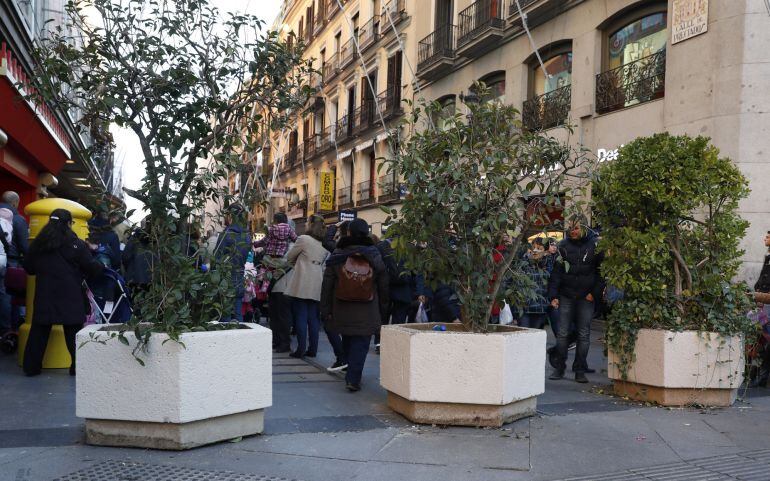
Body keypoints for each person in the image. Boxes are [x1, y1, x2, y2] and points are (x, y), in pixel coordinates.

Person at [22, 209, 104, 376]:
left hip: (45, 294)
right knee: (73, 333)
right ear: (68, 223)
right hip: (70, 295)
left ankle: (31, 368)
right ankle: (77, 368)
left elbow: (29, 268)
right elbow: (91, 267)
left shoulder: (39, 244)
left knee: (39, 332)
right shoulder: (77, 244)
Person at [321, 219, 388, 391]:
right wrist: (383, 309)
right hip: (368, 308)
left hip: (341, 307)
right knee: (361, 343)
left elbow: (327, 285)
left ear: (349, 232)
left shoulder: (338, 253)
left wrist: (326, 309)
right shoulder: (374, 254)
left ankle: (351, 373)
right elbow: (383, 284)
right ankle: (353, 378)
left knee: (348, 339)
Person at [548, 218, 604, 383]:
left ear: (584, 228)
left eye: (576, 228)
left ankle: (580, 369)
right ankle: (559, 367)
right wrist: (553, 296)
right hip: (566, 295)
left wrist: (594, 293)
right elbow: (556, 273)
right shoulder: (563, 246)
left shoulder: (595, 246)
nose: (573, 231)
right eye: (571, 228)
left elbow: (601, 273)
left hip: (586, 297)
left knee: (583, 334)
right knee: (562, 333)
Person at [285, 216, 328, 358]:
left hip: (302, 280)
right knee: (313, 318)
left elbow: (289, 257)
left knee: (300, 316)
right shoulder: (323, 243)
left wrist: (297, 265)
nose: (305, 224)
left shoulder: (303, 239)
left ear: (311, 225)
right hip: (317, 280)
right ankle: (313, 349)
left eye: (307, 222)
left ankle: (301, 349)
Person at [213, 204, 251, 322]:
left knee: (225, 315)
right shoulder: (246, 235)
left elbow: (216, 257)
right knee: (238, 314)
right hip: (239, 276)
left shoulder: (226, 234)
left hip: (226, 278)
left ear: (230, 216)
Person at [750, 231, 770, 388]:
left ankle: (762, 376)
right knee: (756, 334)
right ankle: (756, 372)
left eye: (768, 237)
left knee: (766, 337)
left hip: (767, 304)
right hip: (761, 304)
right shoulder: (768, 257)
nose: (765, 238)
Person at [520, 239, 550, 329]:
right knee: (524, 333)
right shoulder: (523, 264)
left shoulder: (548, 265)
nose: (535, 251)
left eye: (539, 248)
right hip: (524, 308)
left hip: (540, 308)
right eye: (533, 248)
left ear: (545, 251)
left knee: (536, 334)